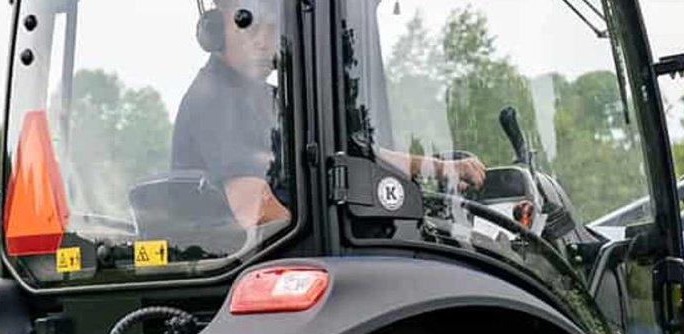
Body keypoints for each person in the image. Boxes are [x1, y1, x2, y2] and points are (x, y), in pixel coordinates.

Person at [172, 0, 487, 230]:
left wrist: (439, 168)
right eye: (248, 23)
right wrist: (325, 237)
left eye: (273, 27)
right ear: (215, 31)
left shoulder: (266, 97)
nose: (264, 41)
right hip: (253, 265)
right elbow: (256, 212)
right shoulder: (214, 99)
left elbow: (356, 151)